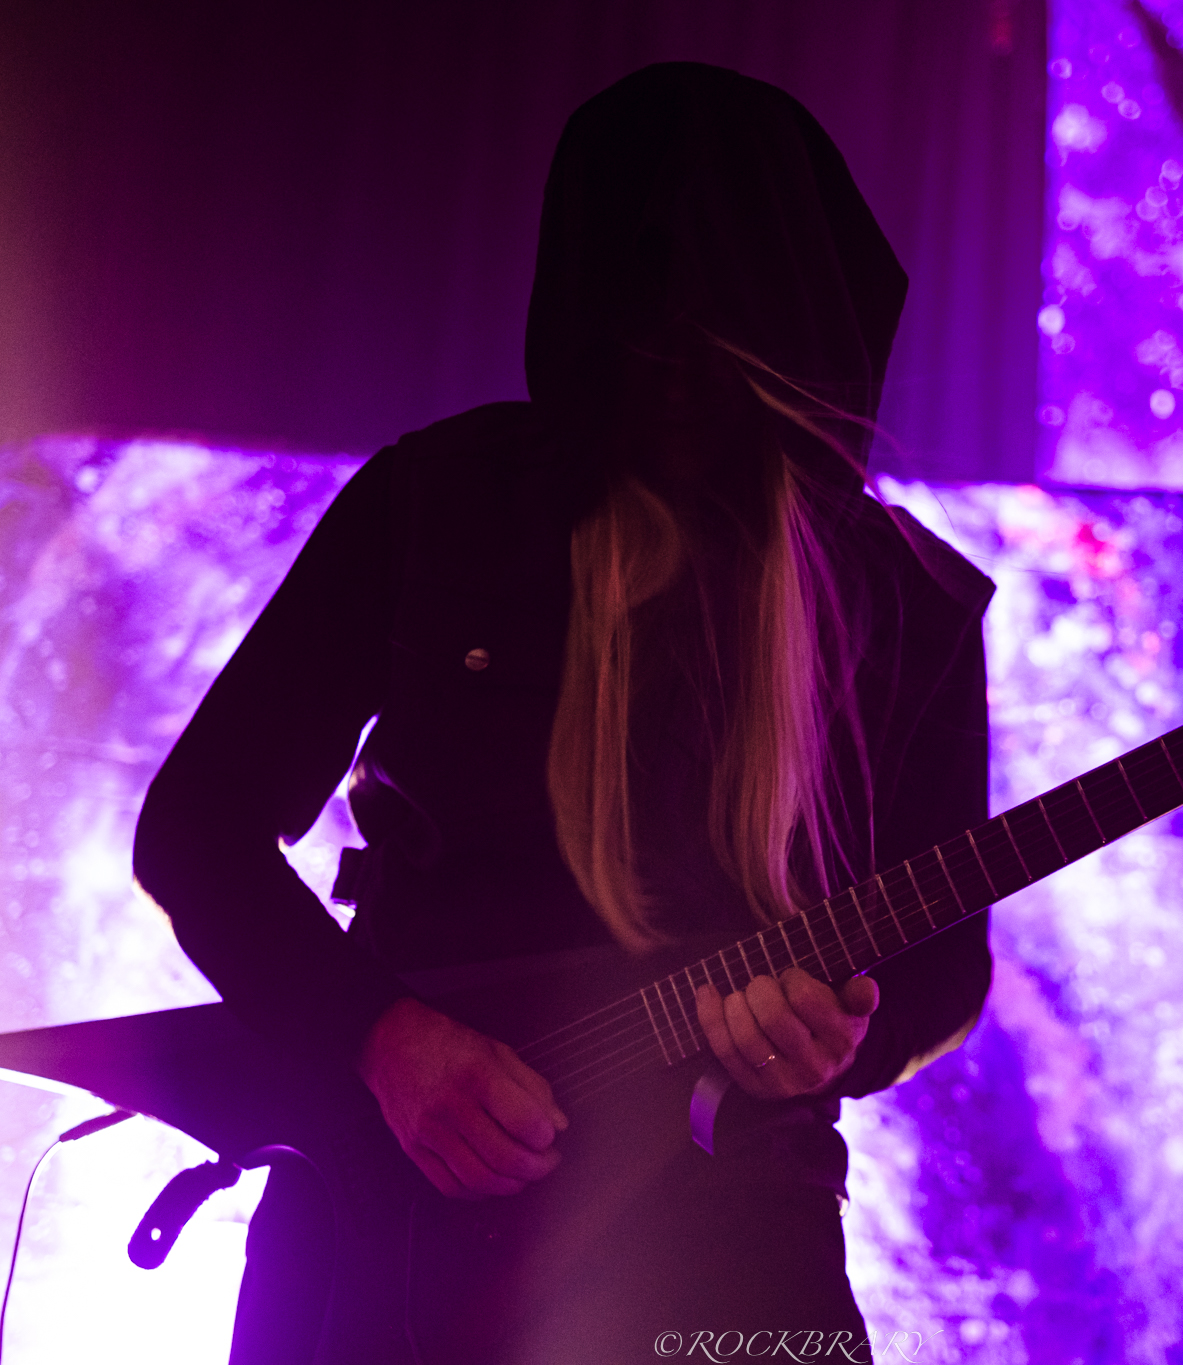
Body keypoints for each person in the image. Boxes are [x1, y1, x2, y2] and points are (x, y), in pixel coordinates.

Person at [132, 63, 994, 1364]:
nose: (675, 377)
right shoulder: (438, 500)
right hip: (386, 1208)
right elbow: (197, 825)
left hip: (735, 1249)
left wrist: (839, 1035)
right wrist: (381, 1038)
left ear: (790, 331)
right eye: (639, 328)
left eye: (715, 339)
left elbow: (941, 966)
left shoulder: (906, 602)